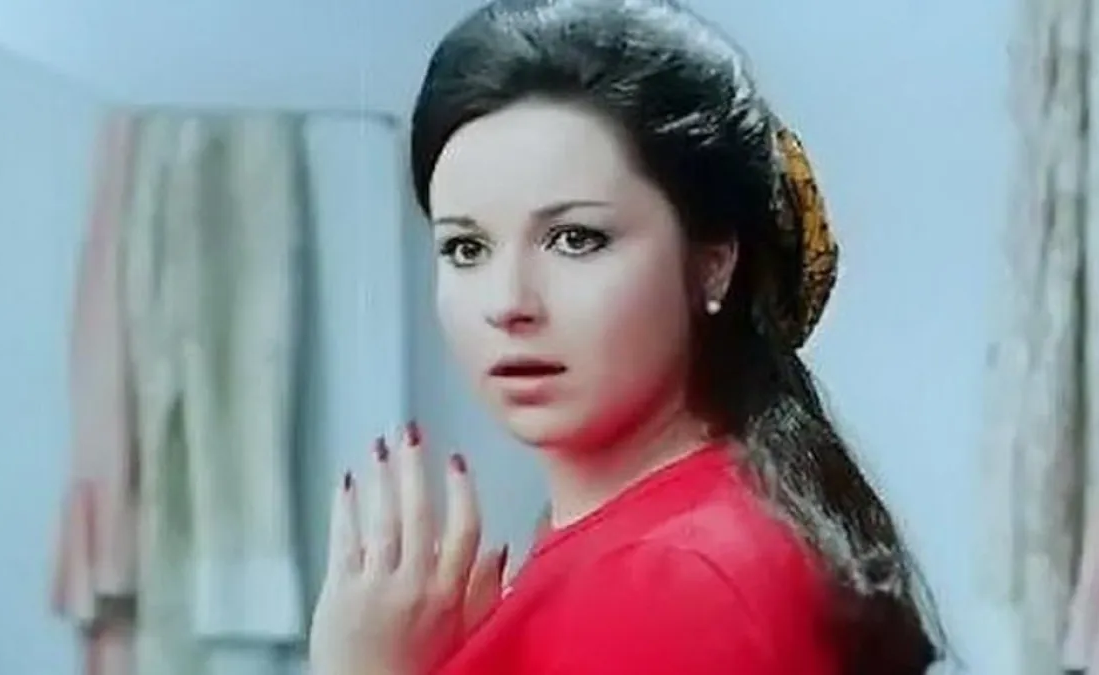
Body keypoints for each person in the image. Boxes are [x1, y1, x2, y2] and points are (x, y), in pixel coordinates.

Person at [308, 1, 947, 673]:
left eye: (575, 239)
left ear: (713, 262)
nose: (508, 303)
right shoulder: (683, 532)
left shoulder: (674, 577)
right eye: (467, 248)